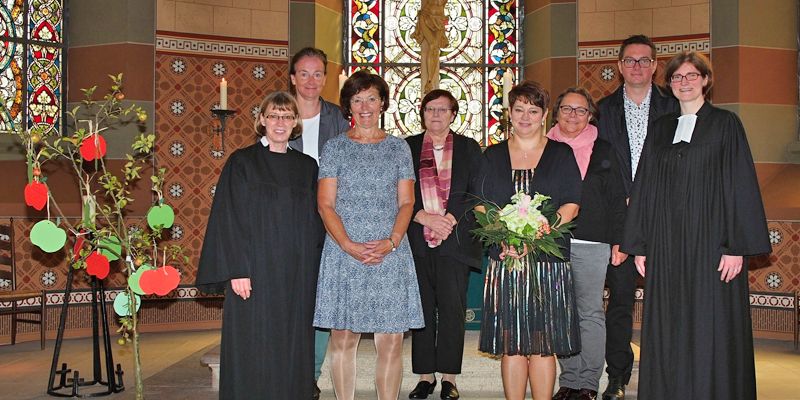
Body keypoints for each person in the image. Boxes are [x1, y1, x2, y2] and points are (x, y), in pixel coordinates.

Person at [622, 51, 770, 400]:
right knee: (670, 323)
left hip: (712, 244)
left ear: (705, 80)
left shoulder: (725, 124)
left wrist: (736, 246)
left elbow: (740, 184)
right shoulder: (660, 129)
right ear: (669, 84)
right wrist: (639, 244)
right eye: (676, 77)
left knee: (710, 324)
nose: (684, 82)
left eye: (691, 76)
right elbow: (644, 185)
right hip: (667, 244)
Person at [195, 91, 324, 399]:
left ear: (296, 123)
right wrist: (237, 269)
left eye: (287, 116)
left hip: (295, 275)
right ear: (262, 120)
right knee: (254, 345)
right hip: (253, 274)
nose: (280, 122)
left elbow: (315, 223)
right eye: (274, 115)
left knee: (291, 344)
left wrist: (316, 271)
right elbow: (229, 218)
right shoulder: (242, 162)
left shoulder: (307, 167)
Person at [313, 70, 424, 400]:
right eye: (357, 99)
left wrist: (391, 242)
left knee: (390, 340)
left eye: (371, 98)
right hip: (344, 251)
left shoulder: (398, 148)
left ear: (383, 103)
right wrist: (348, 245)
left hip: (390, 252)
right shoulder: (334, 148)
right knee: (343, 337)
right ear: (348, 105)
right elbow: (325, 204)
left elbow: (407, 202)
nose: (364, 106)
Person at [480, 81, 582, 400]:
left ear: (544, 115)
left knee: (541, 345)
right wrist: (503, 236)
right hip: (506, 261)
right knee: (512, 345)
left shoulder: (561, 153)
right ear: (509, 113)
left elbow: (571, 204)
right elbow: (481, 204)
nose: (525, 116)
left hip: (547, 264)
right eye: (519, 109)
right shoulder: (492, 154)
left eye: (533, 110)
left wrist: (540, 232)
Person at [596, 34, 678, 400]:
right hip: (621, 219)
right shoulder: (602, 109)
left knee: (672, 298)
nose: (637, 67)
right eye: (630, 60)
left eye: (645, 60)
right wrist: (621, 202)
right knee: (621, 302)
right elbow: (597, 167)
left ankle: (673, 372)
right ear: (619, 66)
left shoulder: (676, 107)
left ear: (656, 66)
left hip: (667, 218)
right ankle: (618, 376)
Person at [547, 88, 627, 400]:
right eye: (567, 108)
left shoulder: (604, 149)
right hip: (551, 241)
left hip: (593, 239)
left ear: (590, 115)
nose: (573, 115)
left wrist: (620, 240)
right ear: (556, 113)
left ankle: (588, 383)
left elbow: (617, 198)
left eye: (581, 110)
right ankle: (569, 380)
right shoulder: (544, 147)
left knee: (590, 312)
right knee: (561, 313)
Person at [405, 89, 484, 400]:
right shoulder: (406, 147)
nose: (435, 115)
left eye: (442, 109)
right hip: (417, 241)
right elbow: (395, 192)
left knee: (452, 309)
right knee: (422, 309)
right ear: (422, 114)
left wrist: (449, 218)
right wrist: (422, 216)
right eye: (430, 109)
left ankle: (449, 378)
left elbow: (477, 189)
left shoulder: (468, 148)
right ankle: (425, 377)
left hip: (456, 238)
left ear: (453, 114)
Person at [288, 46, 351, 400]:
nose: (311, 81)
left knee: (322, 297)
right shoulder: (279, 114)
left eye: (317, 74)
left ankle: (310, 374)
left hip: (331, 219)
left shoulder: (339, 119)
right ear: (293, 77)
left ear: (325, 79)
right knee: (292, 294)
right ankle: (289, 367)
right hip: (290, 221)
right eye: (304, 74)